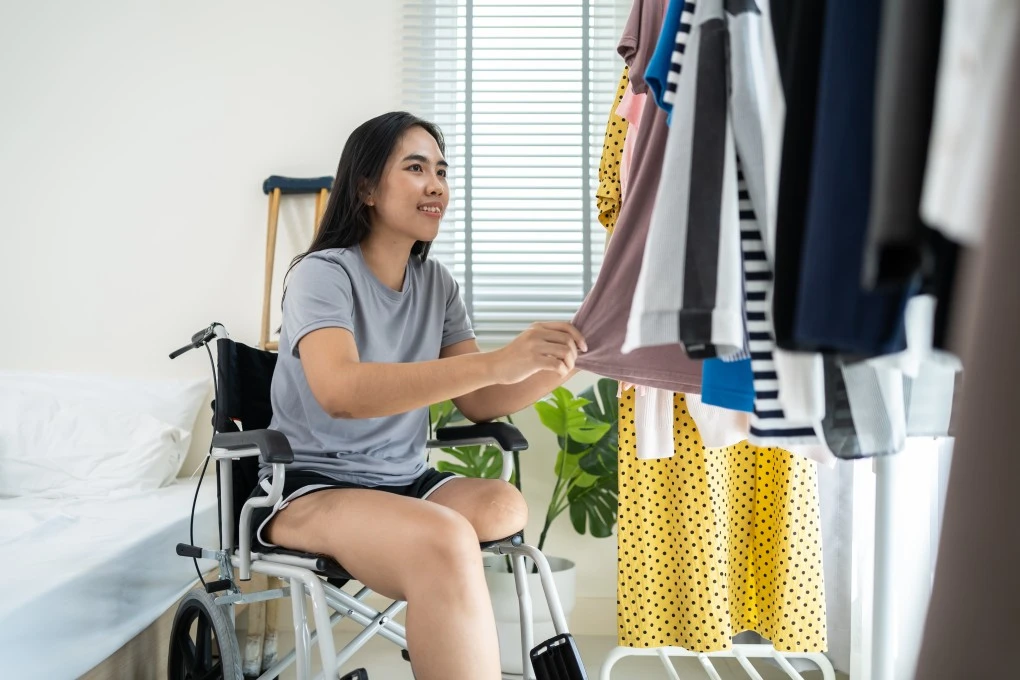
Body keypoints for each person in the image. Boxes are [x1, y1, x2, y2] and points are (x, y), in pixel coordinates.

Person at [250, 111, 587, 679]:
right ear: (366, 189)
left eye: (442, 171)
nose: (436, 185)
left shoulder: (438, 284)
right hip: (312, 484)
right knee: (446, 535)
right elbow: (341, 392)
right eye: (415, 168)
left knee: (504, 505)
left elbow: (479, 401)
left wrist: (569, 360)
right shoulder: (322, 275)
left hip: (402, 480)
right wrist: (498, 361)